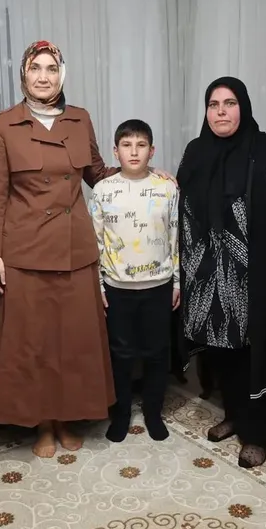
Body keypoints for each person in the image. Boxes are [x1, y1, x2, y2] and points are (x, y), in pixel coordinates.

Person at [0, 40, 175, 458]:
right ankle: (43, 425)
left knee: (73, 343)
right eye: (35, 68)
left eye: (51, 69)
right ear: (23, 74)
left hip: (75, 250)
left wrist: (144, 174)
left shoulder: (79, 119)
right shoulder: (4, 124)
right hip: (26, 252)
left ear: (61, 75)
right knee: (35, 344)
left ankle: (68, 418)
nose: (44, 76)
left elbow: (98, 174)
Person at [177, 76, 266, 468]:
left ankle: (257, 433)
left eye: (230, 103)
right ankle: (233, 415)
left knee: (256, 352)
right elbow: (181, 208)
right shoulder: (195, 151)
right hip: (206, 274)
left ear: (244, 107)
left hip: (255, 275)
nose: (221, 112)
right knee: (222, 352)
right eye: (213, 104)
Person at [87, 119, 180, 443]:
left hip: (158, 285)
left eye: (141, 145)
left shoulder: (167, 188)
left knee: (157, 353)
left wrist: (177, 282)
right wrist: (98, 286)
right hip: (117, 288)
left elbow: (175, 237)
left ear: (152, 151)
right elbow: (95, 242)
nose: (134, 152)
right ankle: (121, 414)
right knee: (121, 355)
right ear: (116, 151)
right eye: (127, 145)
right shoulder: (103, 190)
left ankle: (153, 413)